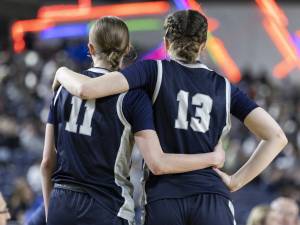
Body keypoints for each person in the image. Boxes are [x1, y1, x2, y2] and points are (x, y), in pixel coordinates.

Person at [53, 10, 288, 225]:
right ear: (203, 46)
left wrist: (62, 71)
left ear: (166, 43)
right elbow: (276, 136)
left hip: (165, 197)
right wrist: (236, 181)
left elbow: (89, 89)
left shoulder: (152, 71)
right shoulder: (225, 87)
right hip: (211, 196)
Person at [41, 16, 225, 225]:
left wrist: (51, 213)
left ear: (91, 48)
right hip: (107, 207)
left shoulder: (62, 90)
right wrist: (213, 157)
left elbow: (47, 163)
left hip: (61, 206)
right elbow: (158, 162)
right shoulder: (133, 96)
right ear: (127, 49)